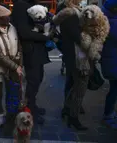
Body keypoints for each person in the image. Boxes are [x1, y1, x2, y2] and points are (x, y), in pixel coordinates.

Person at [11, 0, 50, 124]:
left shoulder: (28, 4)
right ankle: (29, 110)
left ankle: (32, 106)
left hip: (36, 50)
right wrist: (45, 37)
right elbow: (24, 32)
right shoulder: (21, 5)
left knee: (38, 78)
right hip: (31, 51)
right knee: (33, 81)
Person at [53, 0, 89, 130]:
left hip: (71, 54)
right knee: (79, 88)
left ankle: (67, 111)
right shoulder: (70, 13)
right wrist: (89, 43)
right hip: (77, 56)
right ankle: (73, 118)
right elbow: (76, 36)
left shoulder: (66, 12)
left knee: (72, 84)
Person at [0, 5, 22, 127]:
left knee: (12, 92)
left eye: (8, 16)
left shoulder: (13, 28)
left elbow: (19, 46)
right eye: (4, 17)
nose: (8, 18)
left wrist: (18, 61)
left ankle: (11, 115)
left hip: (13, 68)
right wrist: (15, 66)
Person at [100, 0, 117, 129]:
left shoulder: (106, 18)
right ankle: (108, 115)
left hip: (111, 60)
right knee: (114, 90)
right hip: (113, 61)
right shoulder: (112, 21)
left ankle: (110, 114)